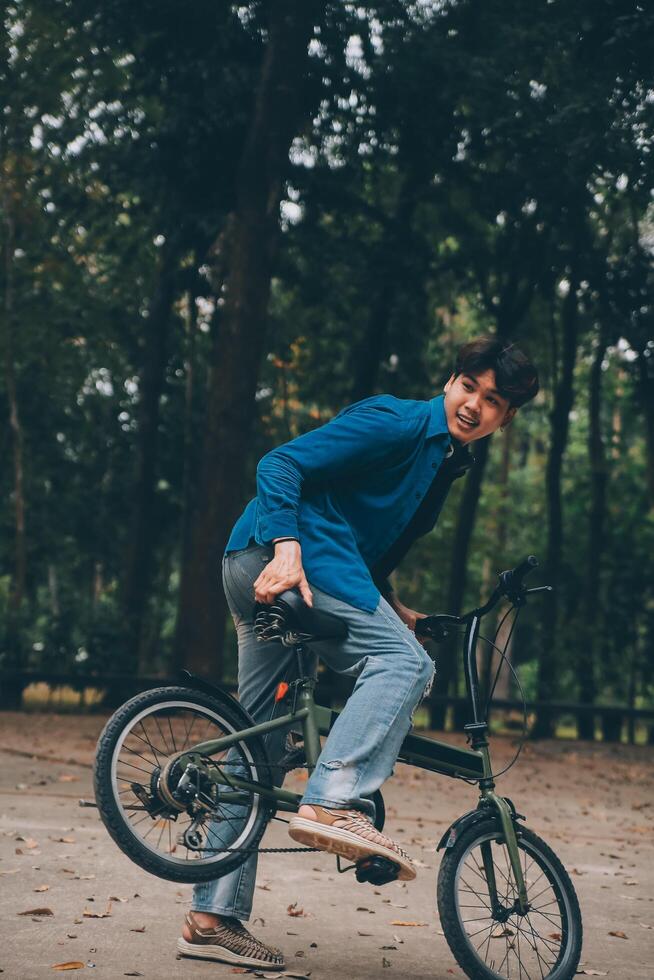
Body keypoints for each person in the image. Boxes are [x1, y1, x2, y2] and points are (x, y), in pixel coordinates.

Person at [178, 336, 539, 968]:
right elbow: (280, 465)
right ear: (450, 381)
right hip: (286, 561)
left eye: (493, 401)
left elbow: (360, 538)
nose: (474, 405)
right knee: (406, 664)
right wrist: (288, 549)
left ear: (505, 419)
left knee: (253, 746)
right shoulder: (398, 422)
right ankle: (334, 799)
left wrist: (394, 607)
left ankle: (211, 918)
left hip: (255, 562)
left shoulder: (443, 463)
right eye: (469, 387)